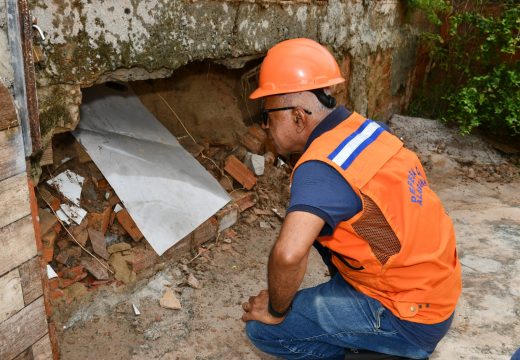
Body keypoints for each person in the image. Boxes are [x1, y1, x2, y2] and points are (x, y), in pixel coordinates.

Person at [241, 38, 462, 360]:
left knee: (264, 329)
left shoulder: (321, 168)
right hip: (434, 292)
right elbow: (378, 229)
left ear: (299, 117)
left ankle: (382, 349)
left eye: (268, 117)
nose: (266, 127)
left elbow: (288, 254)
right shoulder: (366, 130)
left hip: (407, 315)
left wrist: (277, 309)